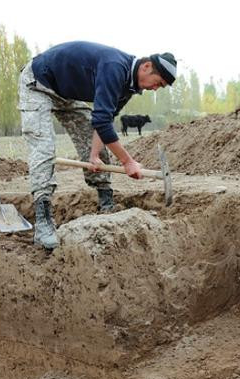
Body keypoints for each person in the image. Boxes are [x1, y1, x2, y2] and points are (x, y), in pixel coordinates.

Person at [18, 42, 177, 249]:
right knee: (44, 148)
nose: (156, 89)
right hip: (38, 82)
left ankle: (105, 200)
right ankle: (43, 221)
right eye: (159, 83)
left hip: (65, 92)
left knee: (94, 137)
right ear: (146, 67)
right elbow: (102, 122)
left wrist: (94, 156)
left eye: (161, 87)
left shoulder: (128, 87)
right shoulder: (115, 68)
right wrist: (127, 162)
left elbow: (104, 120)